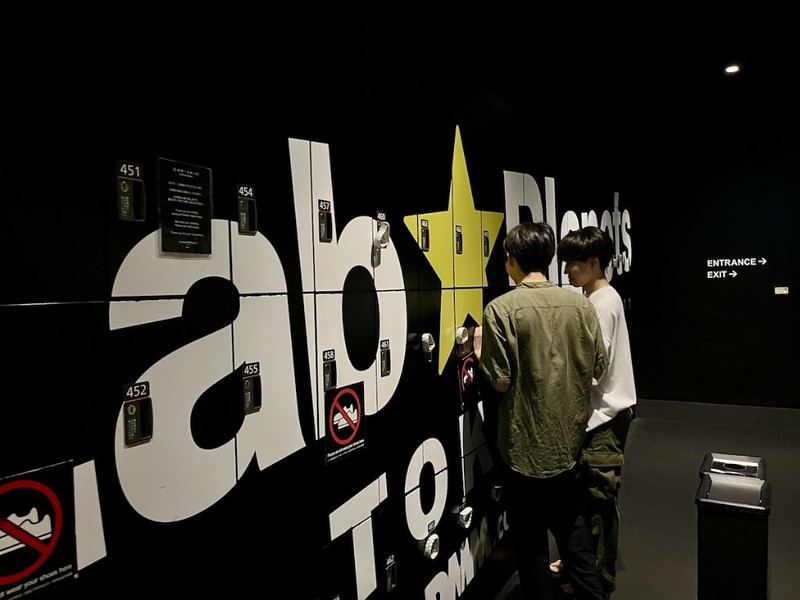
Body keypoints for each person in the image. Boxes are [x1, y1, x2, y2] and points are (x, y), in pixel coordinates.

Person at [474, 221, 609, 600]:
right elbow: (599, 367)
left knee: (531, 545)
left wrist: (481, 351)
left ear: (511, 260)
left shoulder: (500, 310)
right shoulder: (582, 304)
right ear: (549, 259)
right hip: (568, 445)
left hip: (523, 450)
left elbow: (499, 381)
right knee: (574, 536)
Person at [552, 225, 637, 595]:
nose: (567, 270)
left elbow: (593, 367)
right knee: (588, 501)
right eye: (565, 261)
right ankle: (579, 567)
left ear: (594, 262)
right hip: (600, 416)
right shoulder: (598, 299)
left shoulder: (602, 304)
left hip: (604, 418)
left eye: (574, 263)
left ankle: (597, 581)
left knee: (599, 504)